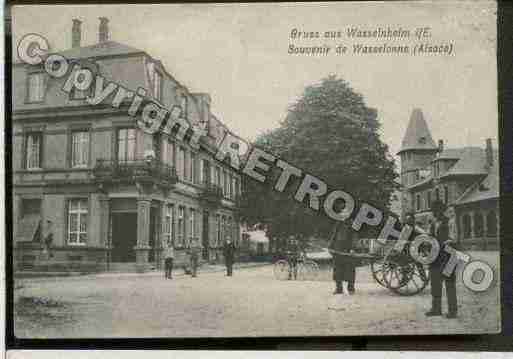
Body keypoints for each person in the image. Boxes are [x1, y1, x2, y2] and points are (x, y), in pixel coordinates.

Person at [425, 200, 458, 319]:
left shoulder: (450, 222)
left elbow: (454, 239)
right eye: (434, 211)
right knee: (435, 283)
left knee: (449, 284)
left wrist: (445, 242)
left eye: (437, 211)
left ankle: (452, 311)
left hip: (449, 256)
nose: (435, 214)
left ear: (442, 211)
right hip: (435, 257)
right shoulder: (433, 224)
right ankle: (436, 309)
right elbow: (430, 238)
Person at [328, 223, 356, 295]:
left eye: (346, 213)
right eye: (342, 213)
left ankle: (351, 289)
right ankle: (338, 289)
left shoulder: (353, 224)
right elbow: (334, 236)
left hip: (347, 250)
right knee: (337, 270)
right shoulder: (338, 224)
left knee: (349, 269)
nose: (344, 215)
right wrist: (330, 246)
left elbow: (354, 237)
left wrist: (353, 248)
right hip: (337, 249)